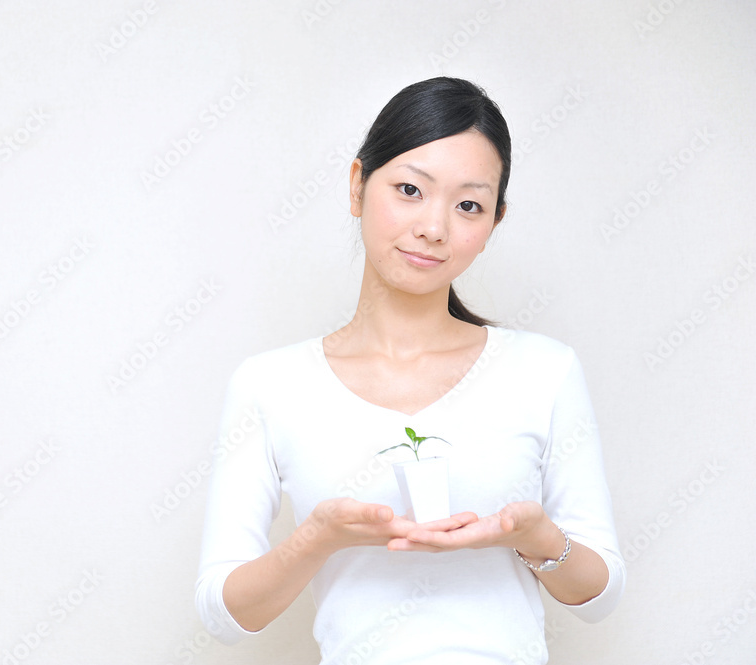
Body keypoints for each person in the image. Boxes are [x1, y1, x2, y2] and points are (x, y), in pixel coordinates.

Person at [195, 77, 625, 664]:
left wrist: (535, 536)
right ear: (357, 186)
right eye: (409, 190)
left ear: (495, 221)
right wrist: (317, 539)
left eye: (468, 204)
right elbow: (225, 614)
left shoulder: (544, 371)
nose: (435, 227)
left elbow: (599, 597)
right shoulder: (269, 386)